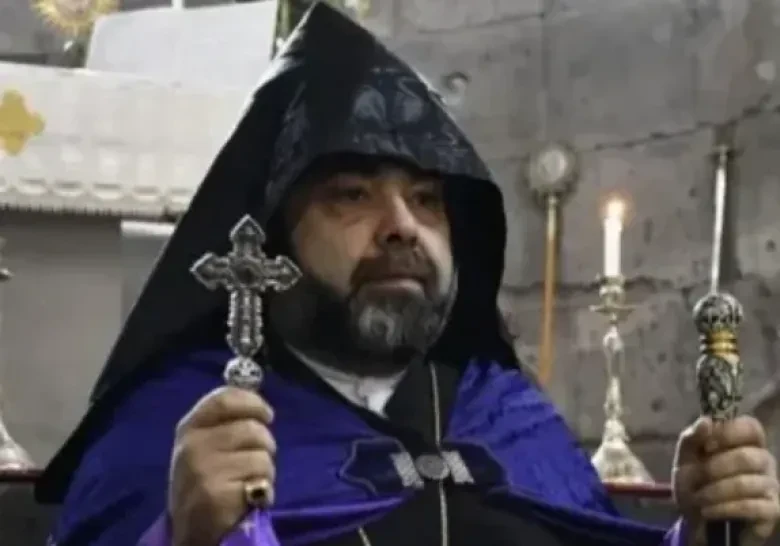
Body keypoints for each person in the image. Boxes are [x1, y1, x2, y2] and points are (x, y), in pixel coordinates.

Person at [37, 3, 779, 546]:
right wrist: (181, 536)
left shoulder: (504, 413)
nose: (402, 226)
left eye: (427, 199)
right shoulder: (179, 427)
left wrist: (703, 533)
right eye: (351, 194)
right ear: (269, 239)